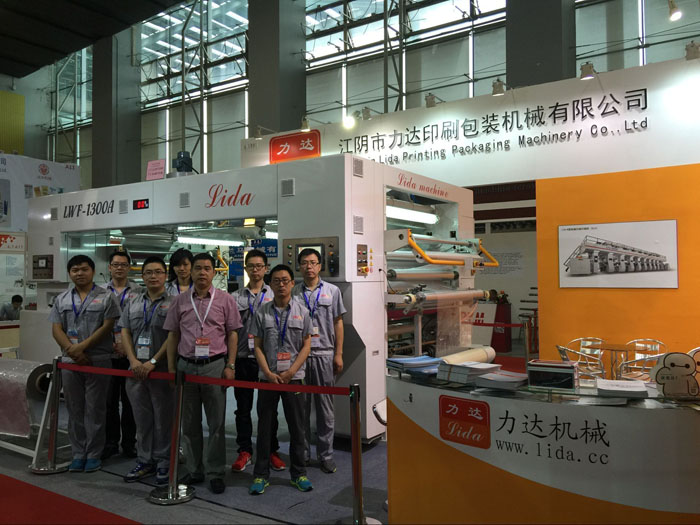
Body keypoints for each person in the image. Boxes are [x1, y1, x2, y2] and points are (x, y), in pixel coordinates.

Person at [165, 252, 241, 494]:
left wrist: (230, 365)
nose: (202, 273)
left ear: (214, 272)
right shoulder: (179, 301)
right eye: (197, 268)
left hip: (214, 365)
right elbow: (173, 334)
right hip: (186, 366)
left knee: (216, 423)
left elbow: (232, 333)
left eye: (207, 268)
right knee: (189, 423)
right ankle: (194, 469)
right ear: (191, 271)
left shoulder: (225, 300)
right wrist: (171, 368)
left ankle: (216, 472)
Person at [48, 255, 121, 473]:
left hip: (98, 360)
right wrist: (73, 351)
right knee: (74, 408)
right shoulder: (61, 299)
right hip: (71, 362)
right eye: (75, 270)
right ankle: (78, 453)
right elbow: (56, 329)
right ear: (69, 273)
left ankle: (94, 454)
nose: (79, 273)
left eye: (84, 269)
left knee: (96, 409)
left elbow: (107, 327)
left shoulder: (107, 297)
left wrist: (81, 348)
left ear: (92, 271)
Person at [249, 264, 313, 495]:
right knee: (265, 427)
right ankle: (260, 475)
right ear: (270, 284)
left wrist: (291, 371)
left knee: (297, 428)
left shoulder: (303, 311)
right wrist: (267, 372)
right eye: (276, 281)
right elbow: (256, 346)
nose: (281, 285)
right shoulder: (262, 312)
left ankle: (299, 474)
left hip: (294, 378)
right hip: (268, 378)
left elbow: (307, 344)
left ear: (292, 283)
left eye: (285, 280)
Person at [120, 256, 174, 485]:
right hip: (135, 370)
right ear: (142, 276)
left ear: (165, 275)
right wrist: (133, 360)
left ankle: (164, 461)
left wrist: (153, 360)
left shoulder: (174, 303)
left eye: (158, 272)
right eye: (149, 272)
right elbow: (124, 331)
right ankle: (145, 460)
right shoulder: (133, 301)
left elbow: (173, 335)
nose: (153, 276)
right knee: (141, 419)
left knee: (164, 418)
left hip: (161, 369)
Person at [230, 249, 285, 473]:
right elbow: (231, 331)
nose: (255, 270)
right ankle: (244, 450)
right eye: (251, 266)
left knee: (268, 410)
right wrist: (230, 362)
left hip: (268, 361)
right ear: (246, 268)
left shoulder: (275, 294)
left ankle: (270, 450)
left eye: (259, 266)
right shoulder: (235, 297)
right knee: (242, 409)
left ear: (265, 268)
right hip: (243, 359)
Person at [292, 248, 346, 474]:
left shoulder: (332, 291)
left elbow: (338, 323)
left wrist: (338, 353)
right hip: (300, 356)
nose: (309, 267)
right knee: (301, 409)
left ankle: (326, 455)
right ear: (299, 266)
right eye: (305, 263)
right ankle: (303, 454)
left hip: (324, 354)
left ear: (320, 266)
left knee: (325, 409)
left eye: (313, 262)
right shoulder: (293, 292)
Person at [101, 249, 139, 460]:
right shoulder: (99, 292)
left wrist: (127, 346)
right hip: (107, 354)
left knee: (130, 401)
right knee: (109, 402)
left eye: (124, 265)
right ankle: (110, 442)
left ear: (129, 267)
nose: (119, 268)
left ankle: (129, 443)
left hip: (130, 354)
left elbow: (141, 323)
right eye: (116, 264)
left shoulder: (139, 291)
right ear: (109, 267)